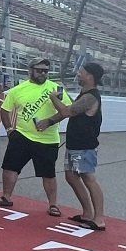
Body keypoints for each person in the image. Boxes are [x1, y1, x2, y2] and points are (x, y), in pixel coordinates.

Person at [35, 61, 107, 230]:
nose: (78, 74)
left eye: (81, 72)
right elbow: (71, 111)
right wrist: (51, 118)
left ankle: (99, 219)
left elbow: (67, 112)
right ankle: (87, 213)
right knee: (71, 176)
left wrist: (53, 98)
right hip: (75, 145)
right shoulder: (85, 93)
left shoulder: (91, 96)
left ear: (89, 76)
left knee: (88, 178)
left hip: (84, 146)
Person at [0, 55, 67, 214]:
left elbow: (66, 111)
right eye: (39, 70)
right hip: (22, 135)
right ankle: (6, 197)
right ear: (30, 71)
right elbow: (4, 110)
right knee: (10, 167)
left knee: (48, 173)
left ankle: (53, 205)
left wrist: (49, 121)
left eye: (46, 71)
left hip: (48, 139)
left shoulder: (56, 88)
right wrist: (9, 129)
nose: (43, 74)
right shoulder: (18, 90)